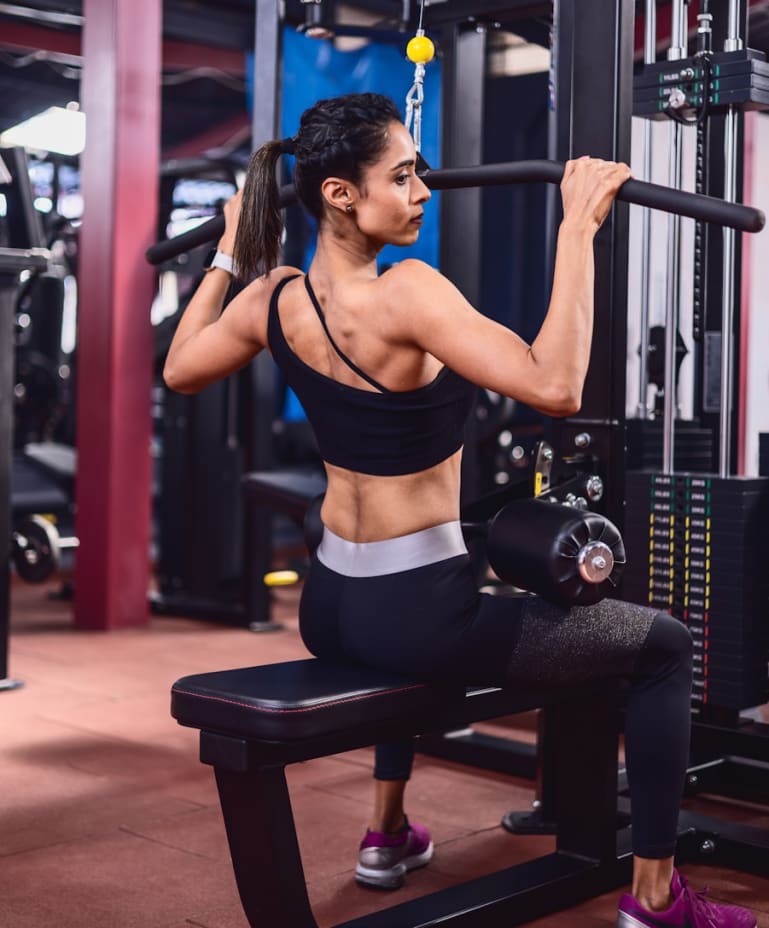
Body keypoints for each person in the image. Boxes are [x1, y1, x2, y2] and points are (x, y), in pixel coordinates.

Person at [164, 92, 755, 928]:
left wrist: (229, 250)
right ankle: (656, 897)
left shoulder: (273, 299)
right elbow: (555, 386)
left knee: (462, 568)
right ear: (341, 195)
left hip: (329, 606)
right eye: (402, 177)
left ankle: (387, 829)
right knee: (660, 645)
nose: (421, 192)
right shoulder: (408, 293)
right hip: (416, 619)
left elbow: (181, 367)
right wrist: (576, 229)